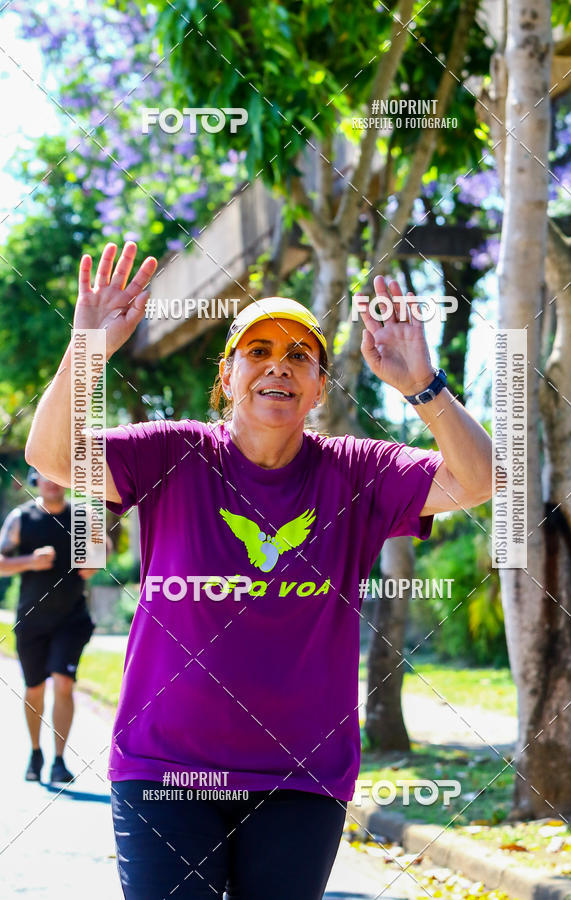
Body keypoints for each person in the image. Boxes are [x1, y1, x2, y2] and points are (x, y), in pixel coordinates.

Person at [25, 241, 493, 899]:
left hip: (300, 779)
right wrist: (87, 350)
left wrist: (423, 386)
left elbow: (481, 479)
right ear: (227, 375)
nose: (279, 365)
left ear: (319, 387)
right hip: (165, 770)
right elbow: (51, 456)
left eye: (300, 355)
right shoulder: (172, 453)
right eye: (259, 351)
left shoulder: (357, 471)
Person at [0, 468, 102, 783]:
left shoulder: (82, 515)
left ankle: (59, 760)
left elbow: (100, 551)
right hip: (31, 620)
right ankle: (36, 752)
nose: (52, 482)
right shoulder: (21, 518)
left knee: (63, 682)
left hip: (71, 618)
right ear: (36, 481)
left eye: (57, 475)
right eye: (45, 475)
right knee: (35, 689)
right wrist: (29, 561)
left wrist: (94, 561)